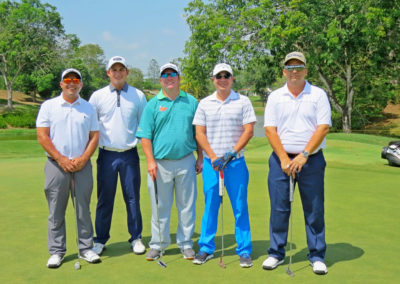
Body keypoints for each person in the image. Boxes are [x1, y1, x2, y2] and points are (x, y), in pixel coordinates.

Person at [262, 51, 331, 275]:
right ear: (284, 71)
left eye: (298, 67)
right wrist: (283, 158)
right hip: (280, 160)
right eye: (290, 68)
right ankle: (276, 252)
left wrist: (303, 155)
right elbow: (270, 129)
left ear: (306, 71)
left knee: (314, 208)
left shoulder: (318, 95)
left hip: (311, 160)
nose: (294, 72)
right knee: (279, 208)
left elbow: (323, 127)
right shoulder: (275, 97)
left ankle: (317, 254)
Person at [136, 63, 203, 261]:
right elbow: (145, 137)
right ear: (161, 80)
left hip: (186, 161)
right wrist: (150, 161)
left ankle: (186, 244)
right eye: (165, 75)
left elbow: (198, 133)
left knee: (187, 206)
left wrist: (200, 157)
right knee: (160, 206)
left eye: (172, 73)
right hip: (160, 163)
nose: (169, 77)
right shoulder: (153, 104)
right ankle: (158, 244)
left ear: (179, 78)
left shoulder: (191, 102)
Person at [192, 63, 256, 268]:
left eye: (226, 75)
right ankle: (206, 248)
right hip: (213, 165)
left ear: (232, 79)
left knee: (239, 207)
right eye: (218, 76)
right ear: (213, 79)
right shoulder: (204, 103)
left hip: (235, 164)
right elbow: (199, 133)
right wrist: (212, 156)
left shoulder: (243, 101)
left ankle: (244, 250)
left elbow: (248, 131)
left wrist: (231, 153)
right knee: (210, 205)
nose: (222, 79)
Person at [36, 68, 101, 268]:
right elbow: (42, 136)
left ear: (81, 84)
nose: (71, 83)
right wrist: (61, 158)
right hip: (56, 165)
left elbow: (94, 136)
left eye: (76, 80)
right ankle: (56, 251)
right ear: (61, 84)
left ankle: (86, 248)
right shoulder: (49, 106)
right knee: (56, 210)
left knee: (83, 209)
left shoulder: (88, 108)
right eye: (67, 80)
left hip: (82, 165)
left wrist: (83, 158)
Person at [89, 56, 147, 256]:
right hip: (106, 155)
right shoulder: (97, 96)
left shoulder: (138, 96)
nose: (118, 72)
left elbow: (144, 126)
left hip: (130, 154)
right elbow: (91, 127)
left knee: (132, 198)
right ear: (108, 73)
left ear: (127, 72)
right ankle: (100, 239)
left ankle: (136, 237)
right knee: (105, 199)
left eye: (121, 69)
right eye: (114, 69)